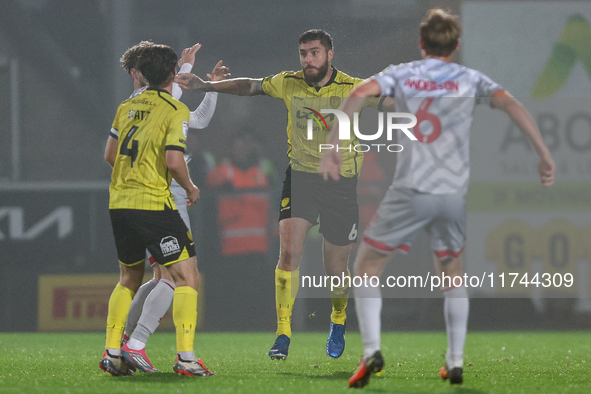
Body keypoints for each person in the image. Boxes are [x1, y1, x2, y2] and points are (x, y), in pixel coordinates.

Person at [319, 9, 556, 388]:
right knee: (452, 275)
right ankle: (456, 361)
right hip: (451, 195)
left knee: (365, 268)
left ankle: (371, 352)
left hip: (411, 190)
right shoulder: (469, 78)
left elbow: (359, 93)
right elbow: (512, 104)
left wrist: (334, 143)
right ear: (457, 45)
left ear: (421, 43)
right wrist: (543, 153)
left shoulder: (403, 73)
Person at [175, 29, 383, 360]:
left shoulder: (353, 87)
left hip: (340, 184)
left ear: (330, 54)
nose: (308, 59)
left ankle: (338, 319)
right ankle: (283, 332)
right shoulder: (289, 82)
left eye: (315, 52)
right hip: (300, 178)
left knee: (336, 267)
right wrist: (207, 86)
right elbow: (250, 86)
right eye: (303, 53)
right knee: (288, 255)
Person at [99, 43, 214, 377]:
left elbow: (110, 154)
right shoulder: (173, 109)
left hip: (119, 202)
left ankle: (112, 352)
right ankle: (186, 358)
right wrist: (191, 188)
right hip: (153, 204)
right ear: (173, 74)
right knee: (187, 277)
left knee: (128, 279)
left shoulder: (127, 105)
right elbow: (174, 161)